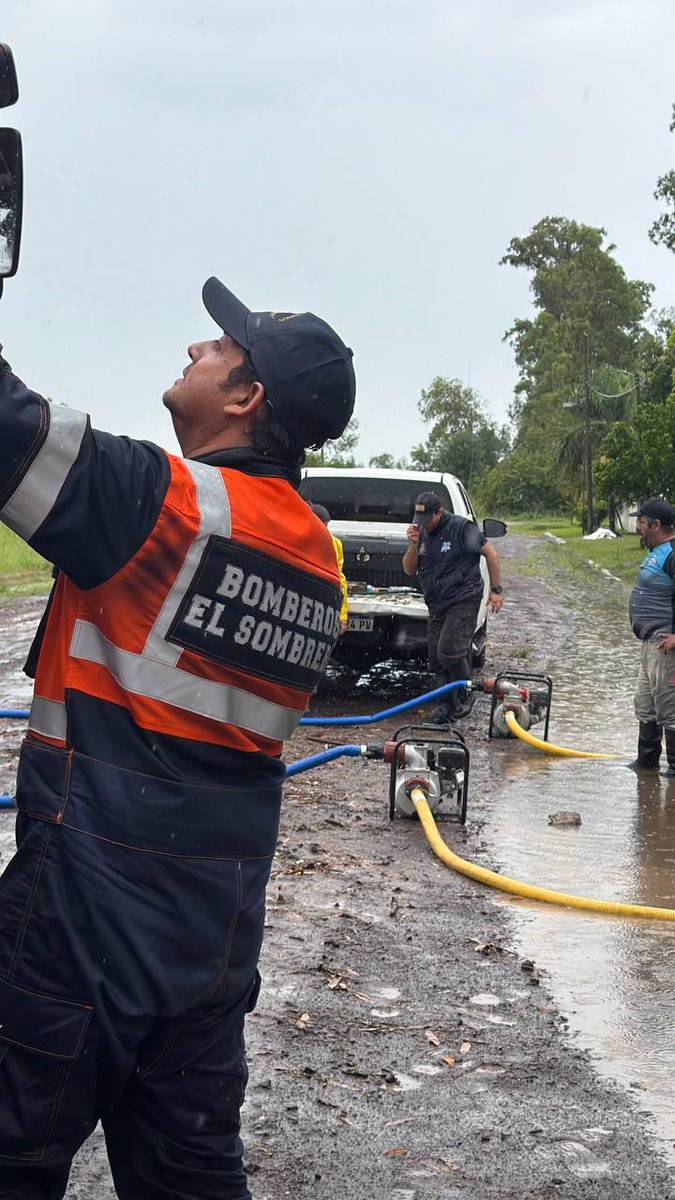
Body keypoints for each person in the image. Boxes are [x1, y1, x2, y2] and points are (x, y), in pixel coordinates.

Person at [0, 276, 355, 1199]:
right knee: (191, 1182)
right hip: (211, 944)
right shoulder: (315, 553)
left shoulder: (163, 504)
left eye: (219, 348)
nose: (197, 348)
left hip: (85, 914)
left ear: (245, 399)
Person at [402, 490, 503, 723]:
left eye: (428, 519)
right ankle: (445, 708)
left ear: (439, 512)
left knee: (450, 650)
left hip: (463, 597)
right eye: (420, 521)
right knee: (436, 659)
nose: (424, 525)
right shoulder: (422, 533)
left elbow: (491, 553)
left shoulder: (461, 528)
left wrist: (496, 591)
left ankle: (465, 694)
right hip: (437, 602)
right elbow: (408, 568)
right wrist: (413, 545)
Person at [628, 496, 675, 775]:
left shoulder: (672, 554)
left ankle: (673, 773)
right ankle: (646, 765)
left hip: (667, 650)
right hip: (650, 647)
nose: (638, 528)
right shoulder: (658, 552)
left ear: (656, 525)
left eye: (642, 522)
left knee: (670, 711)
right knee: (645, 706)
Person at [309, 502, 349, 633]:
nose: (325, 530)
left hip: (324, 606)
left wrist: (342, 616)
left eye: (326, 526)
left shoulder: (335, 544)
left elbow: (339, 580)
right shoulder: (299, 539)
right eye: (322, 525)